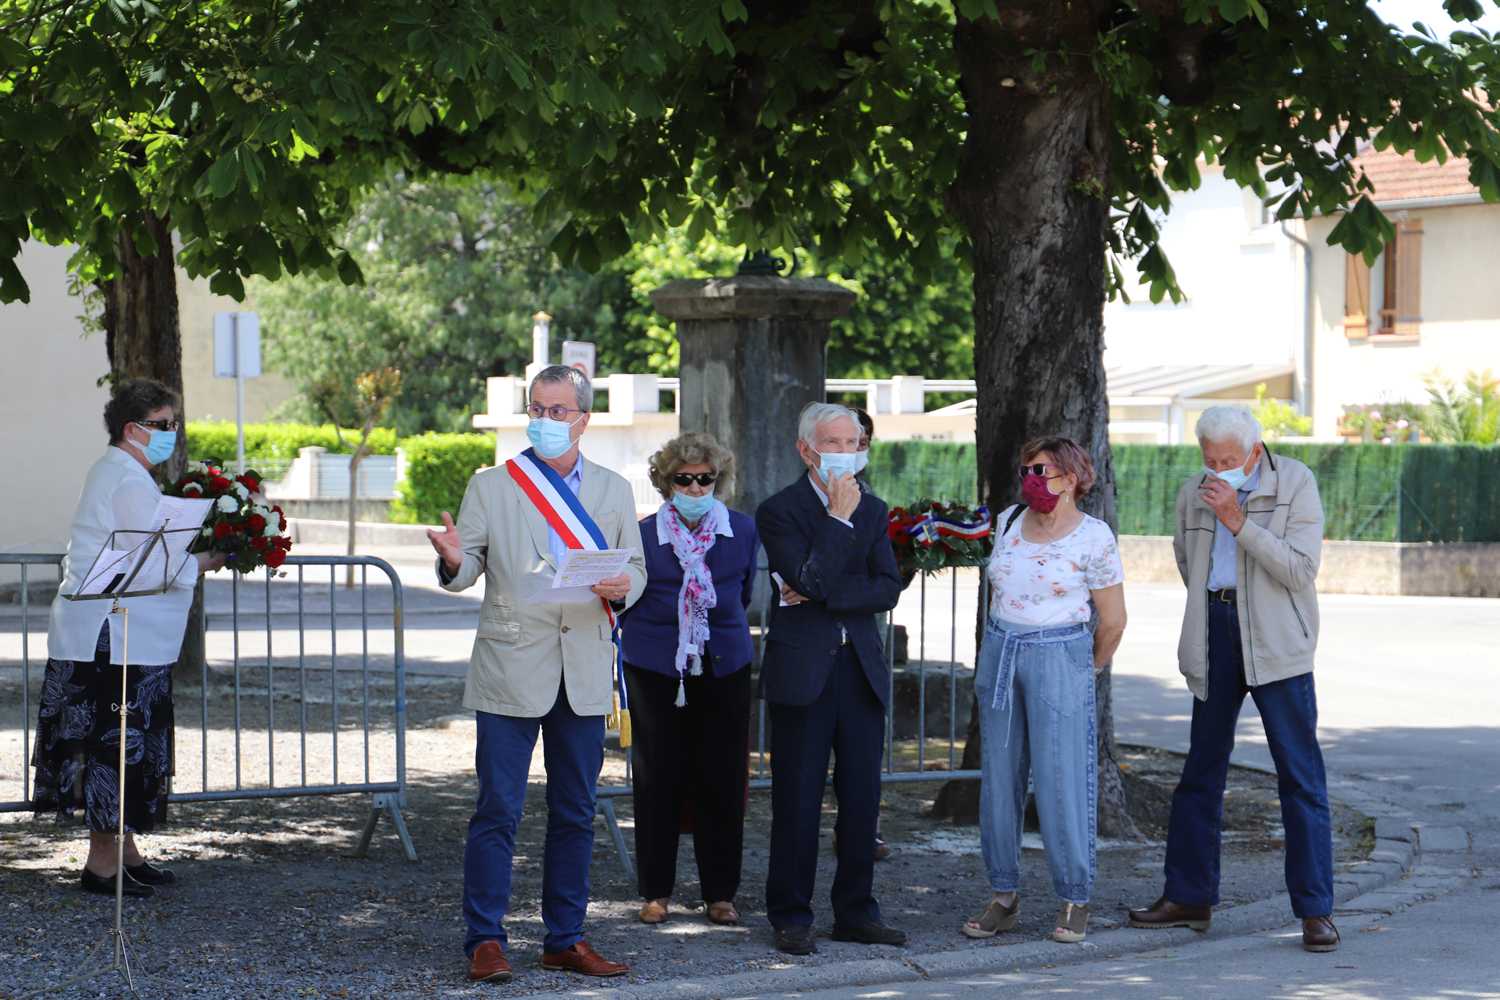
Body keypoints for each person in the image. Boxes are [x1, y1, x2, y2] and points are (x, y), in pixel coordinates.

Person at [428, 365, 647, 983]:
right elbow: (467, 566)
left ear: (584, 418)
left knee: (576, 811)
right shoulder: (493, 485)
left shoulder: (612, 488)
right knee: (497, 809)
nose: (545, 421)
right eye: (537, 409)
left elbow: (638, 569)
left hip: (581, 670)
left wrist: (624, 583)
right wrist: (451, 558)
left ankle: (565, 939)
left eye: (558, 411)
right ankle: (485, 941)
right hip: (511, 666)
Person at [1128, 406, 1339, 953]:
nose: (1217, 470)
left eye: (1228, 460)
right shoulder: (1192, 490)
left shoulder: (1296, 482)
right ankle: (1188, 897)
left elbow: (1299, 570)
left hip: (1276, 640)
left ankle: (1315, 911)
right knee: (1199, 773)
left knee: (1299, 776)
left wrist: (1238, 523)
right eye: (1209, 459)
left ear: (1253, 449)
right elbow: (1184, 559)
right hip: (1214, 631)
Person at [36, 378, 226, 899]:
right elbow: (154, 561)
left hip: (128, 639)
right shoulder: (123, 478)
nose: (172, 433)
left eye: (174, 425)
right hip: (107, 641)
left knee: (130, 747)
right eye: (163, 425)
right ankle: (101, 865)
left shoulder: (129, 474)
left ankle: (127, 852)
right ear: (132, 429)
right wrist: (215, 556)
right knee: (110, 748)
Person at [963, 436, 1127, 945]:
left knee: (1062, 782)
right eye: (1026, 469)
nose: (1031, 478)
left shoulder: (1094, 537)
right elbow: (1000, 589)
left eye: (1042, 470)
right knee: (999, 780)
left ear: (1072, 478)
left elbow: (1114, 622)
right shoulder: (1010, 521)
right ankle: (1003, 896)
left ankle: (1075, 897)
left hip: (1061, 655)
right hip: (1001, 650)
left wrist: (1081, 672)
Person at [757, 402, 904, 956]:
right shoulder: (780, 510)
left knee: (863, 796)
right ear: (806, 449)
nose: (847, 453)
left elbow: (886, 588)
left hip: (860, 664)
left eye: (854, 442)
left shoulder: (876, 507)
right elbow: (806, 576)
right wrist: (838, 523)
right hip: (804, 668)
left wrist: (815, 589)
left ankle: (856, 912)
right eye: (834, 443)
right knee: (797, 797)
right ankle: (791, 915)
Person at [618, 432, 760, 927]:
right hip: (655, 664)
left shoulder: (742, 529)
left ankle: (720, 893)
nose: (697, 487)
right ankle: (656, 891)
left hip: (723, 662)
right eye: (685, 479)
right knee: (659, 776)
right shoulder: (640, 534)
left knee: (721, 778)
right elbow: (631, 596)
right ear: (666, 482)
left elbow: (742, 595)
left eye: (707, 479)